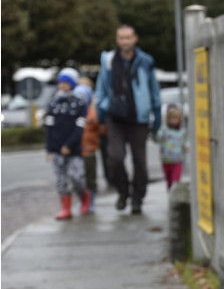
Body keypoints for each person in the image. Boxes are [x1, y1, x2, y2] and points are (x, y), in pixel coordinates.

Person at [95, 24, 162, 214]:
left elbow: (154, 91)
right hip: (115, 117)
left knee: (140, 162)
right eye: (121, 38)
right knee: (115, 157)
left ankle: (137, 199)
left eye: (128, 38)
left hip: (138, 118)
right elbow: (100, 89)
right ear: (117, 40)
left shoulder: (145, 62)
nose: (125, 41)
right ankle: (123, 191)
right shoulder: (108, 61)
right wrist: (102, 112)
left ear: (135, 39)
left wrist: (156, 117)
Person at [45, 68, 91, 220]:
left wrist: (69, 145)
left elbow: (79, 128)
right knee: (60, 180)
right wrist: (49, 148)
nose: (63, 86)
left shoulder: (78, 103)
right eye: (61, 83)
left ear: (72, 84)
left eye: (66, 83)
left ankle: (84, 196)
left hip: (73, 149)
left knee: (76, 177)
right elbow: (49, 127)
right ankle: (66, 209)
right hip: (57, 149)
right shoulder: (53, 103)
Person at [75, 79, 101, 213]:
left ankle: (90, 201)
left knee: (91, 178)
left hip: (90, 151)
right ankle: (82, 200)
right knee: (78, 178)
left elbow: (100, 129)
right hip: (76, 152)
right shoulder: (72, 114)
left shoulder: (93, 113)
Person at [155, 104, 189, 190]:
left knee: (175, 181)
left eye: (175, 118)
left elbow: (186, 142)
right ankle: (171, 196)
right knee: (169, 181)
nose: (173, 120)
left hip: (177, 160)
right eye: (171, 118)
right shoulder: (164, 130)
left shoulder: (182, 132)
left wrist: (186, 147)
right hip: (166, 160)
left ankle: (175, 197)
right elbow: (158, 138)